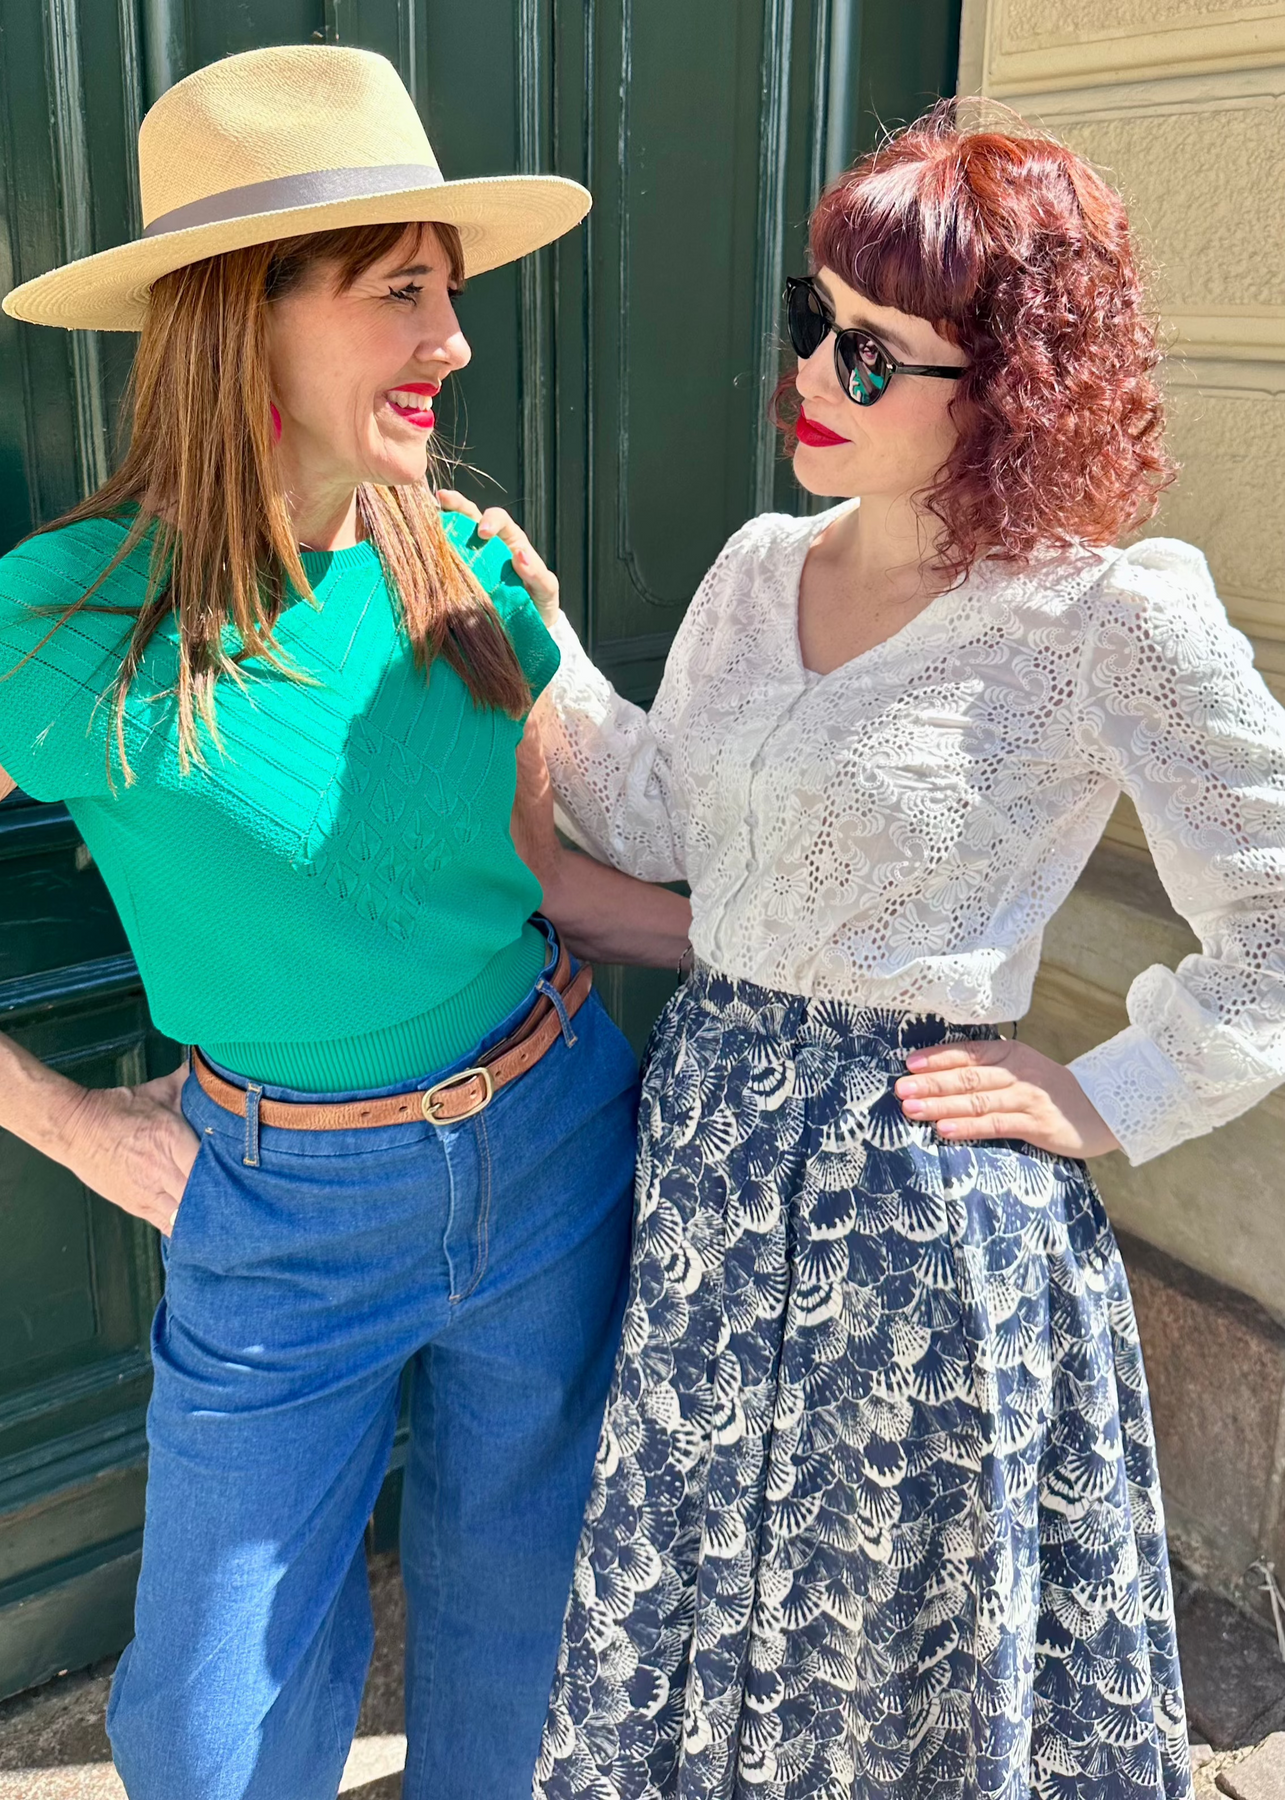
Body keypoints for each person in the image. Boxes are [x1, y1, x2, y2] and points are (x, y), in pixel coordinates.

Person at [457, 108, 1285, 1800]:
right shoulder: (759, 569)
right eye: (810, 318)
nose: (811, 374)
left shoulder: (1106, 617)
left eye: (873, 352)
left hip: (919, 1217)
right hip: (710, 1167)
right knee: (703, 1612)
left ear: (1016, 389)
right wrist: (537, 650)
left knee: (878, 1660)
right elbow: (673, 819)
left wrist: (1108, 1094)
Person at [0, 43, 681, 1800]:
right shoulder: (64, 618)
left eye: (448, 292)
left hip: (554, 1139)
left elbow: (544, 880)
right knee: (207, 1737)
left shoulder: (460, 562)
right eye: (399, 293)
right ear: (243, 317)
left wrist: (830, 970)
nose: (454, 342)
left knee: (526, 1633)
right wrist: (69, 1125)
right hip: (279, 1215)